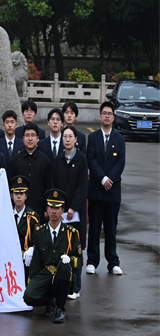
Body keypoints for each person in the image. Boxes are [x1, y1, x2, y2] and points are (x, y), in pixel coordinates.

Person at [23, 189, 83, 324]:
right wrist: (31, 282)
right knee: (28, 297)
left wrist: (70, 260)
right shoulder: (40, 232)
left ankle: (60, 308)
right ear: (47, 209)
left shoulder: (71, 233)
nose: (54, 211)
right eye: (51, 207)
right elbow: (37, 261)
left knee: (64, 265)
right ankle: (49, 302)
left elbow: (79, 260)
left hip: (63, 277)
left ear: (63, 210)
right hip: (46, 274)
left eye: (57, 208)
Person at [85, 102, 126, 276]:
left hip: (113, 192)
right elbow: (91, 160)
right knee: (94, 228)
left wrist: (110, 179)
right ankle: (92, 261)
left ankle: (113, 261)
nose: (107, 116)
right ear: (100, 116)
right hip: (96, 190)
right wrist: (102, 178)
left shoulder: (119, 139)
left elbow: (120, 163)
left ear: (113, 117)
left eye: (110, 113)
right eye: (104, 113)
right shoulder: (93, 138)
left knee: (110, 229)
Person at [51, 125, 88, 298]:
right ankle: (62, 284)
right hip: (61, 213)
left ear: (76, 140)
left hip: (76, 213)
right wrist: (59, 209)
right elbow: (54, 186)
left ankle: (76, 287)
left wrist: (73, 207)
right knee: (61, 249)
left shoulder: (81, 160)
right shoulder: (57, 160)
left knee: (75, 249)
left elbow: (82, 186)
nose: (67, 139)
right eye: (64, 136)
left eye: (70, 136)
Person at [7, 123, 51, 219]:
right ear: (23, 138)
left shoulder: (45, 160)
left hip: (39, 210)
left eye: (33, 135)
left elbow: (48, 186)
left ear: (37, 138)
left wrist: (46, 208)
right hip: (19, 210)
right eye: (27, 135)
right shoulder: (16, 160)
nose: (30, 139)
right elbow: (11, 185)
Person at [8, 175, 39, 284]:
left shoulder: (33, 217)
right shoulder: (6, 215)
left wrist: (32, 249)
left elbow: (38, 240)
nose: (19, 197)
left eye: (21, 194)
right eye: (16, 194)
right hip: (9, 259)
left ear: (26, 196)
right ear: (11, 195)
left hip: (26, 260)